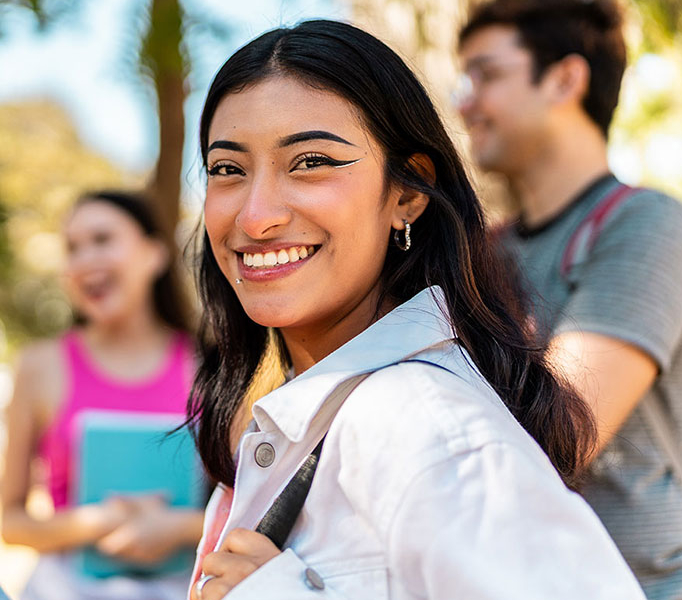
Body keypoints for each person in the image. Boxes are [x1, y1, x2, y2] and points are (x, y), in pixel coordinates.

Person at [183, 19, 647, 600]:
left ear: (407, 193)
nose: (255, 216)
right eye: (228, 170)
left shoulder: (417, 418)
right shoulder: (324, 412)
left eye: (311, 162)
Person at [456, 1, 682, 598]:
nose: (465, 101)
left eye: (486, 75)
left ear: (566, 78)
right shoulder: (482, 251)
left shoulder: (644, 223)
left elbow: (561, 433)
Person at [1, 191, 204, 599]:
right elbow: (9, 520)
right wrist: (94, 523)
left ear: (154, 254)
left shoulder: (206, 367)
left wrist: (176, 528)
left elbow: (245, 510)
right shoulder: (40, 366)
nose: (83, 261)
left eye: (102, 240)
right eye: (72, 248)